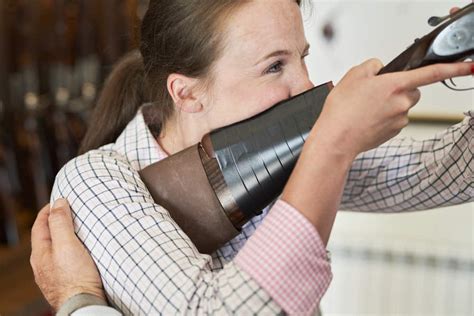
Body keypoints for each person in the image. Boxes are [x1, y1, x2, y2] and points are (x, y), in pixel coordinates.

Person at [30, 1, 473, 315]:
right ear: (185, 92)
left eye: (302, 58)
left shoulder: (279, 143)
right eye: (274, 66)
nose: (307, 86)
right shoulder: (94, 180)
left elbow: (443, 173)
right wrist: (333, 144)